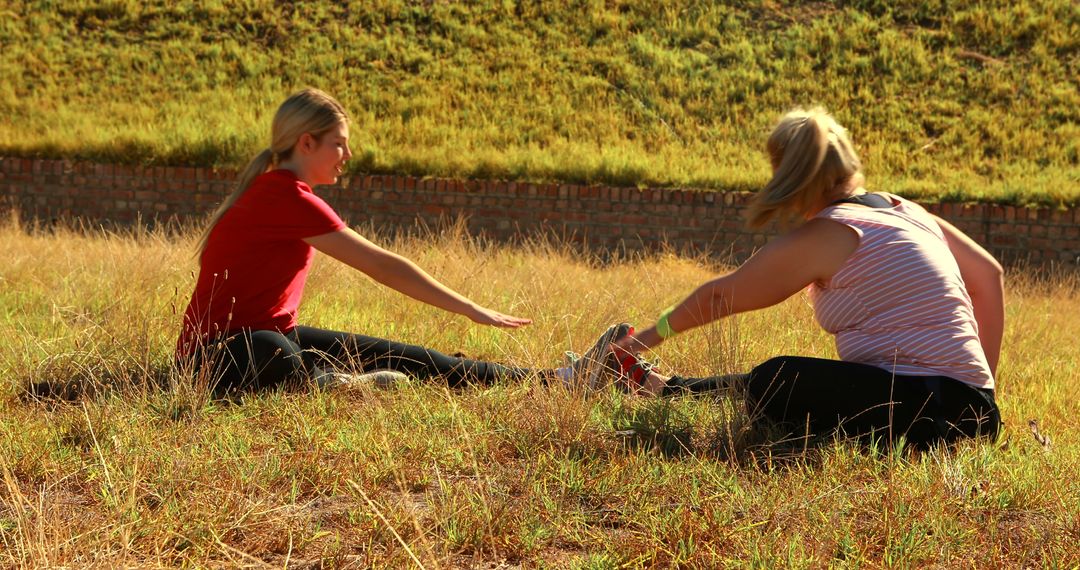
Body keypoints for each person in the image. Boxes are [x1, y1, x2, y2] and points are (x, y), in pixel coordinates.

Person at [604, 107, 1004, 447]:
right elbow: (989, 276)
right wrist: (982, 388)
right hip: (975, 411)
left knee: (778, 378)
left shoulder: (834, 232)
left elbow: (719, 297)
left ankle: (659, 387)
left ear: (790, 176)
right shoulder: (907, 211)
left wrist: (641, 339)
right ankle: (667, 389)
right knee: (788, 380)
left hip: (931, 413)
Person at [177, 88, 534, 397]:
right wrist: (469, 307)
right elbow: (382, 265)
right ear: (306, 143)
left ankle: (556, 380)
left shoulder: (278, 192)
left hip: (274, 338)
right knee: (274, 350)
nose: (347, 155)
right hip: (215, 360)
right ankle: (339, 384)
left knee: (404, 356)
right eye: (338, 144)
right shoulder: (286, 197)